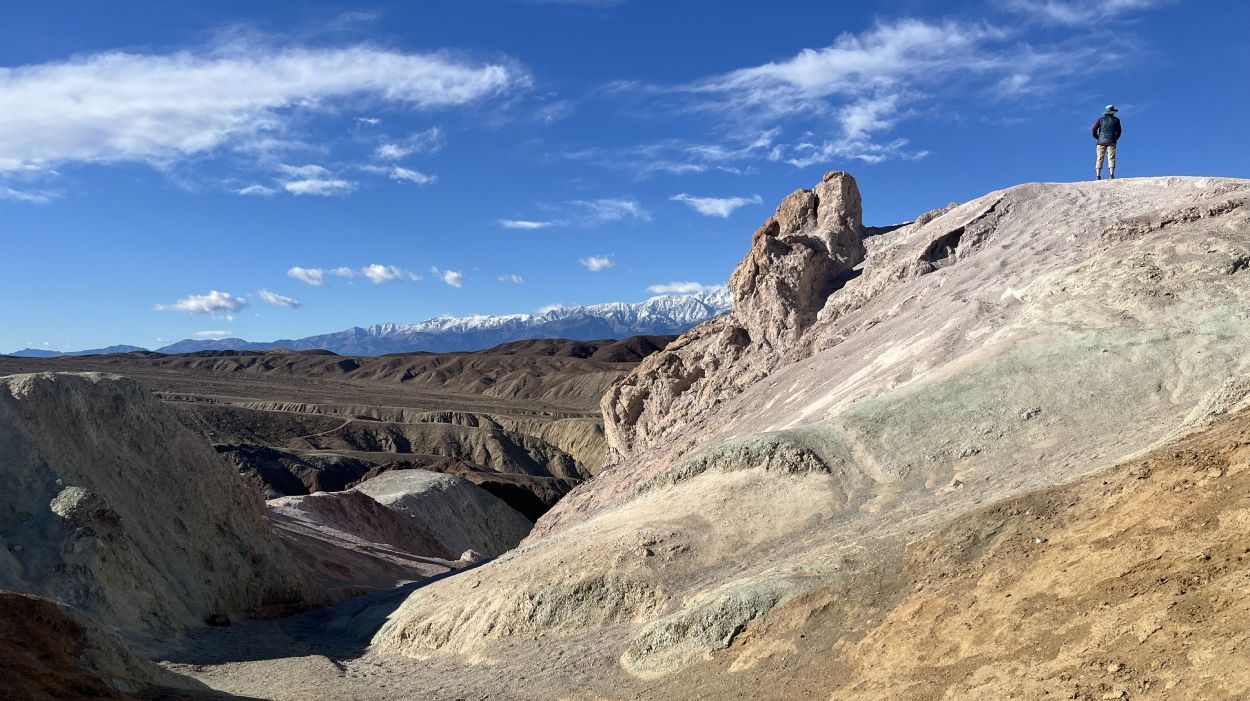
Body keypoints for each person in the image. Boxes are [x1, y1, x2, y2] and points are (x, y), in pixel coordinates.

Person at [1092, 105, 1123, 180]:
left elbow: (1093, 130)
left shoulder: (1100, 120)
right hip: (1112, 140)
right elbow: (1119, 131)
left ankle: (1098, 175)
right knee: (1111, 157)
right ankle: (1112, 175)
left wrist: (1098, 138)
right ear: (1113, 112)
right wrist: (1115, 138)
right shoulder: (1116, 120)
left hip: (1101, 141)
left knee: (1099, 158)